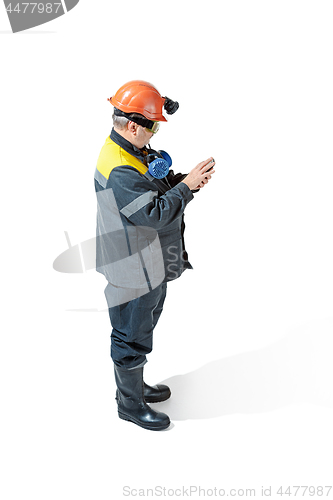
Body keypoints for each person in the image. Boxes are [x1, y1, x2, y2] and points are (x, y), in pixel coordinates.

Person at [94, 80, 215, 431]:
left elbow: (152, 191)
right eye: (154, 125)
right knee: (131, 332)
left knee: (143, 325)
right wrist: (186, 187)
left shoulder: (132, 151)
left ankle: (135, 385)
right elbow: (154, 215)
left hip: (148, 262)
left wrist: (180, 181)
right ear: (134, 125)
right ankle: (129, 404)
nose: (156, 132)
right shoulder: (120, 167)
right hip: (131, 267)